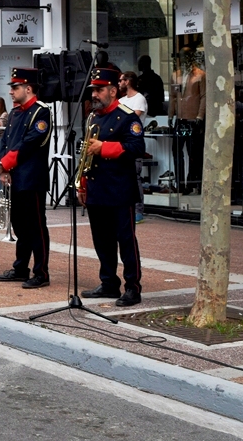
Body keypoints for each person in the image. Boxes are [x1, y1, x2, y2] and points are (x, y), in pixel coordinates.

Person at [78, 67, 146, 307]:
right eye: (93, 90)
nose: (94, 94)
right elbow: (87, 155)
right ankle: (108, 283)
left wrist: (104, 148)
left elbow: (137, 148)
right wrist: (83, 183)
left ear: (113, 90)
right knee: (102, 240)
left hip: (119, 189)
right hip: (97, 187)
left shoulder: (127, 116)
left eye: (99, 90)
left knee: (125, 240)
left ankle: (132, 287)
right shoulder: (92, 117)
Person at [0, 68, 52, 290]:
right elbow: (8, 141)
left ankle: (41, 272)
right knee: (19, 225)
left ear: (28, 88)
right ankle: (21, 268)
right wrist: (6, 169)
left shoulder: (41, 112)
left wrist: (3, 165)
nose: (11, 92)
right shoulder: (17, 112)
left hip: (32, 177)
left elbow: (28, 144)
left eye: (15, 87)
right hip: (16, 176)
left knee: (36, 226)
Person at [169, 48, 205, 195]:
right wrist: (171, 115)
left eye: (187, 56)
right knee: (177, 151)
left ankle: (191, 182)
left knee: (193, 153)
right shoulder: (175, 75)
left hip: (193, 119)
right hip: (181, 118)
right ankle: (180, 183)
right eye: (182, 56)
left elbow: (204, 96)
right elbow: (173, 97)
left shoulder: (200, 75)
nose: (184, 59)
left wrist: (200, 116)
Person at [118, 71, 149, 224]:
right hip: (121, 143)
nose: (119, 83)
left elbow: (133, 118)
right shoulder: (121, 100)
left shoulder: (139, 99)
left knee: (136, 176)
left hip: (133, 141)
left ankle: (138, 210)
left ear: (128, 82)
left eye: (121, 80)